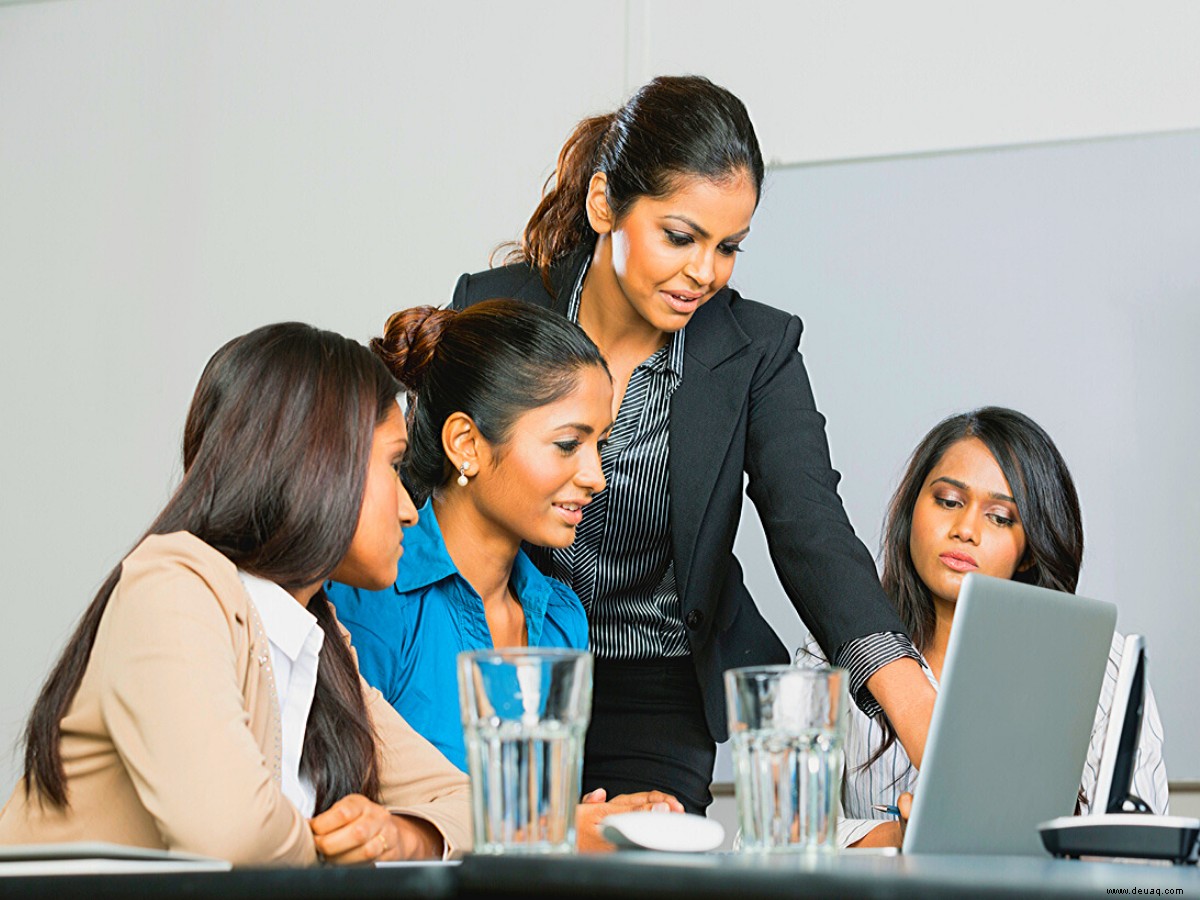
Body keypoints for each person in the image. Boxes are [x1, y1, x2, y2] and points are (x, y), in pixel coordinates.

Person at [450, 74, 935, 814]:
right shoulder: (495, 309)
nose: (703, 273)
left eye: (728, 247)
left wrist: (916, 710)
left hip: (658, 686)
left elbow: (811, 528)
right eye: (680, 237)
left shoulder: (757, 350)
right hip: (503, 669)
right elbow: (426, 492)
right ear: (604, 203)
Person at [0, 323, 471, 865]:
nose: (411, 510)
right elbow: (235, 839)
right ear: (321, 462)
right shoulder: (171, 588)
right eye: (392, 465)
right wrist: (343, 854)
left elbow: (463, 802)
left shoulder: (316, 639)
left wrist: (405, 837)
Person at [327, 300, 683, 849]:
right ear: (466, 444)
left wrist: (597, 822)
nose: (597, 476)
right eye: (568, 444)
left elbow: (531, 836)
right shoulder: (372, 598)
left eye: (601, 445)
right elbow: (349, 820)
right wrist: (559, 831)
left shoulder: (564, 619)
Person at [802, 406, 1169, 848]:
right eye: (949, 501)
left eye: (1000, 517)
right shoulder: (833, 649)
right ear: (911, 510)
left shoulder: (1101, 663)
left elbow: (1143, 858)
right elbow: (767, 834)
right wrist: (902, 837)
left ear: (1030, 550)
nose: (966, 530)